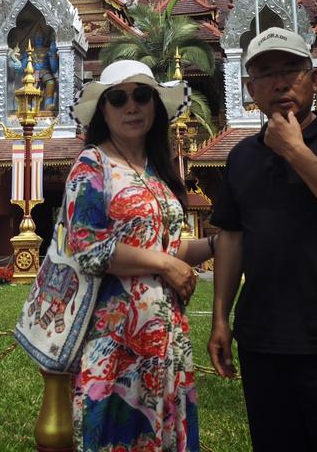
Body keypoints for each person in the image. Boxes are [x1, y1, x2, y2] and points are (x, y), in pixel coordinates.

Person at [208, 27, 317, 452]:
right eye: (266, 74)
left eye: (291, 70)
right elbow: (231, 238)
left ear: (315, 80)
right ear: (250, 89)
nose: (280, 83)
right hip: (261, 340)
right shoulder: (242, 156)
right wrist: (220, 319)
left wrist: (293, 149)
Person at [61, 59, 213, 451]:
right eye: (118, 99)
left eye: (141, 96)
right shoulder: (92, 165)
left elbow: (166, 246)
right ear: (103, 110)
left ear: (155, 107)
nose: (131, 107)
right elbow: (87, 247)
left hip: (166, 335)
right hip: (115, 339)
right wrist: (165, 264)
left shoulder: (157, 173)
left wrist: (216, 244)